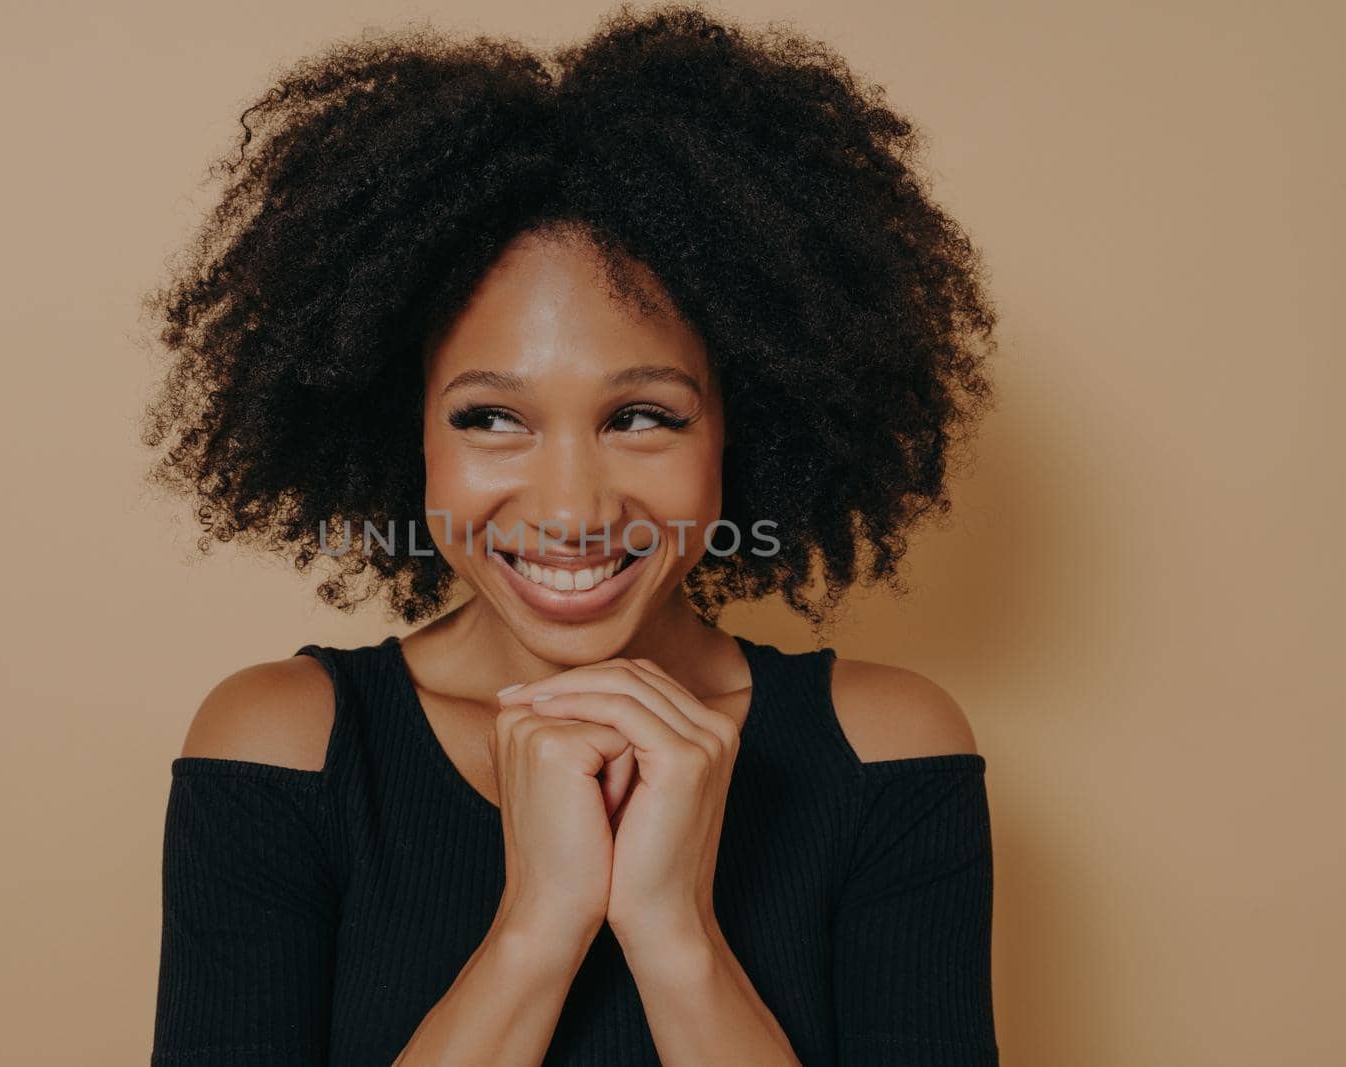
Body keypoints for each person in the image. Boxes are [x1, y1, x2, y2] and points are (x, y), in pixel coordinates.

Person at [142, 5, 1000, 1063]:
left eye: (641, 416)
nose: (570, 508)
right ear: (401, 429)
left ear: (748, 426)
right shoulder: (288, 744)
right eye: (490, 417)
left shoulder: (883, 749)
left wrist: (671, 928)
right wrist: (538, 923)